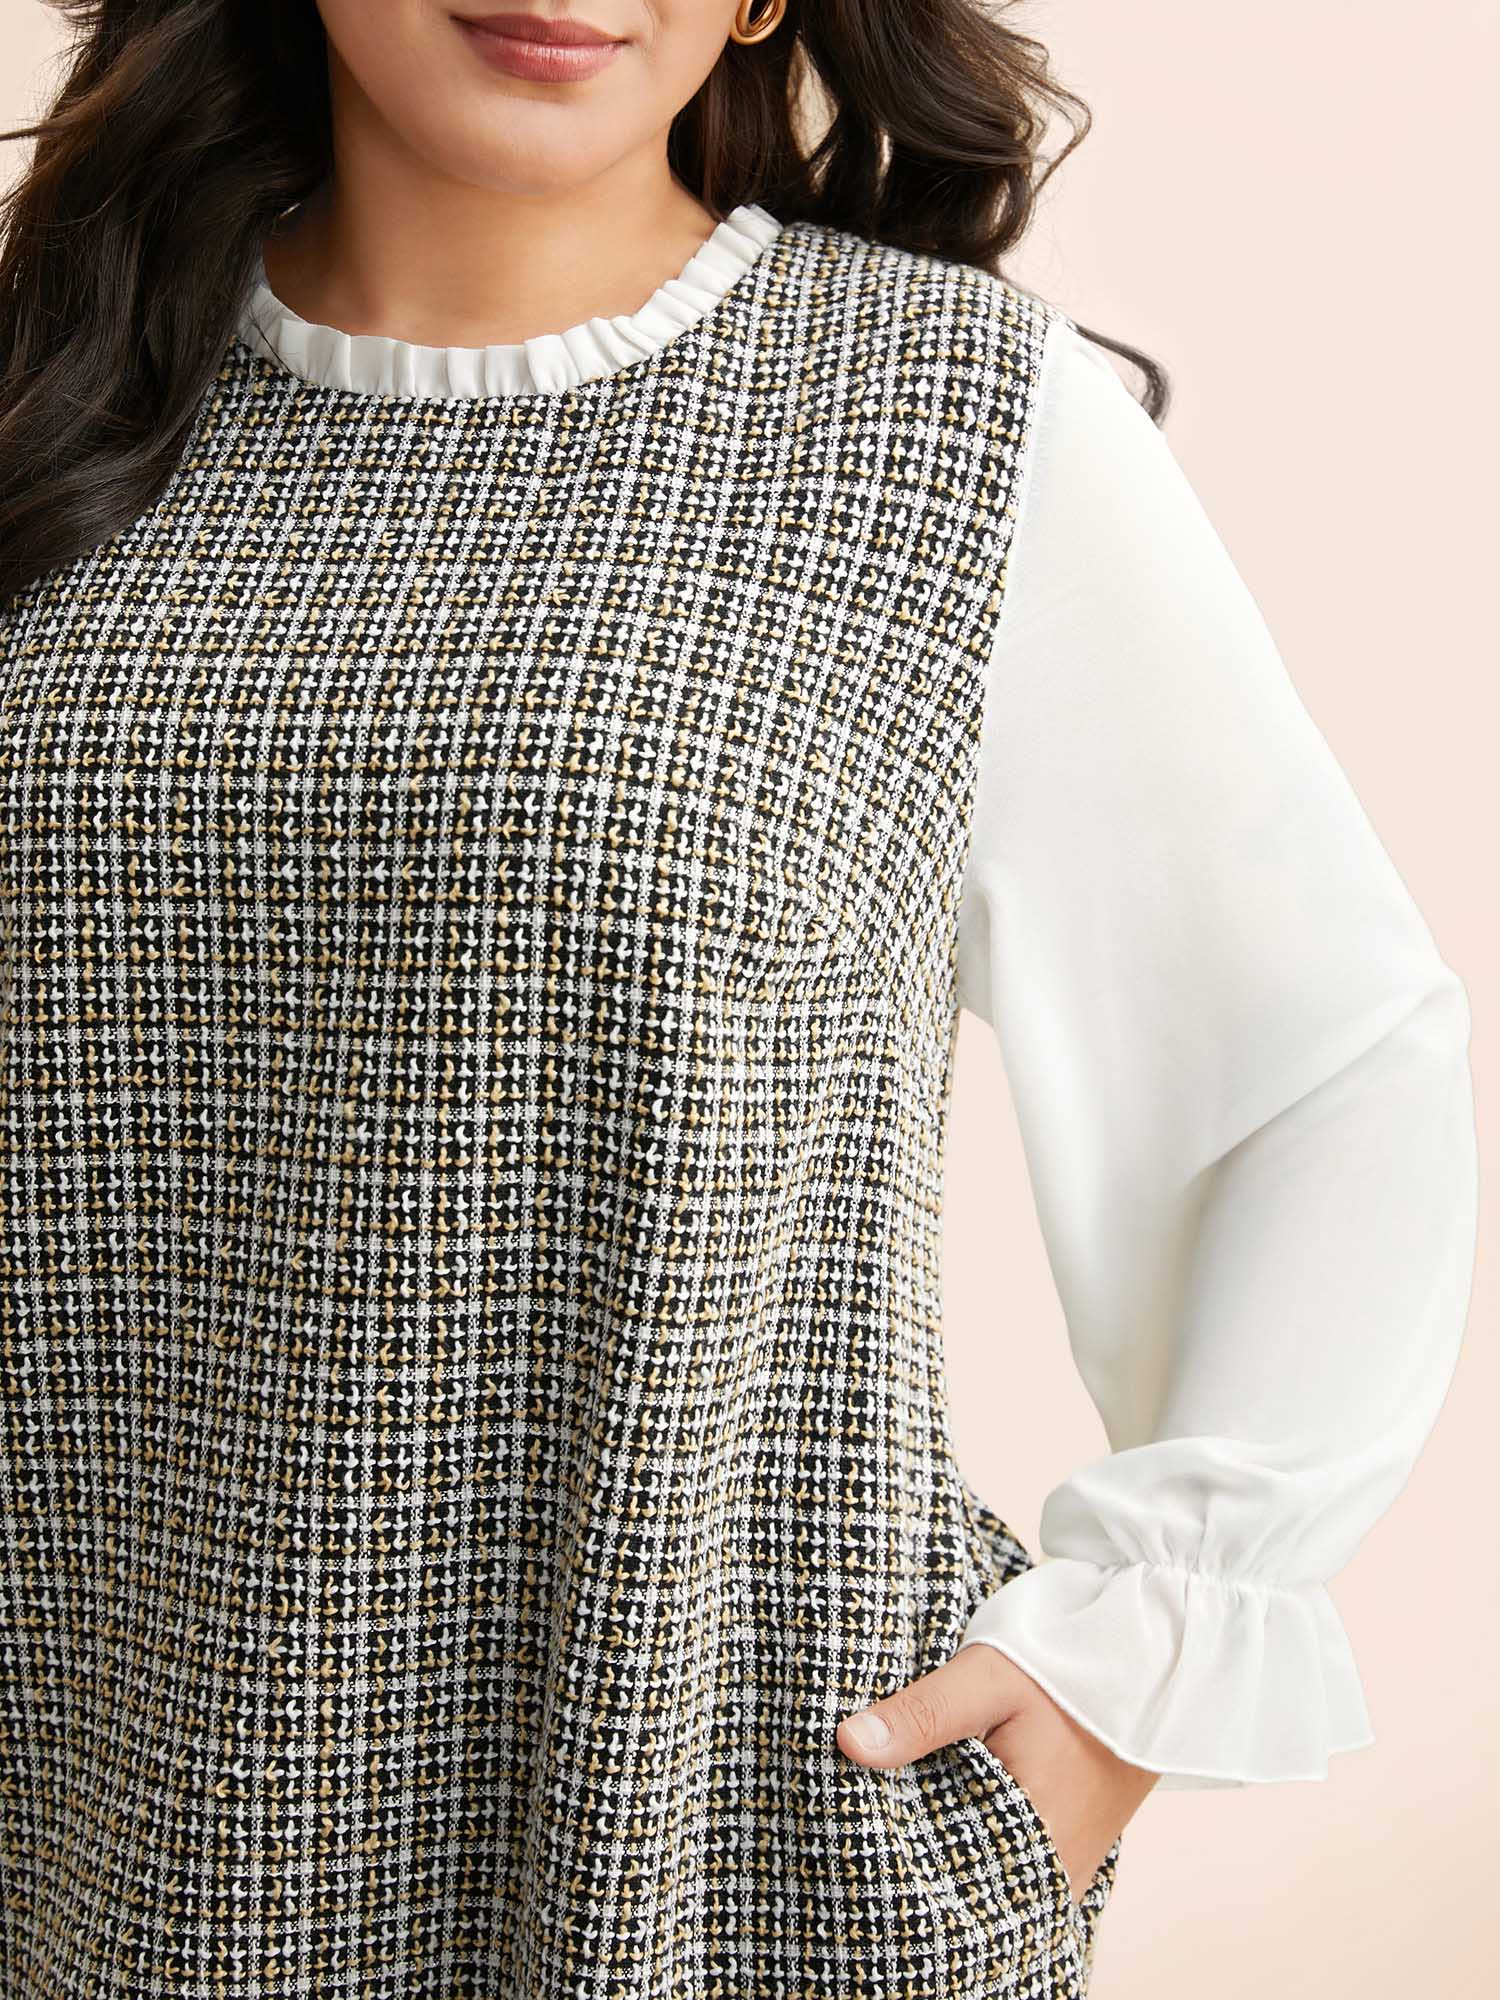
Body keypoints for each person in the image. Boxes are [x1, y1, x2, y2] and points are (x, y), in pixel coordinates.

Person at [0, 3, 1476, 1996]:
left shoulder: (947, 426)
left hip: (707, 1863)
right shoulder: (49, 395)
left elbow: (1321, 1072)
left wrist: (1135, 1659)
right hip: (74, 1840)